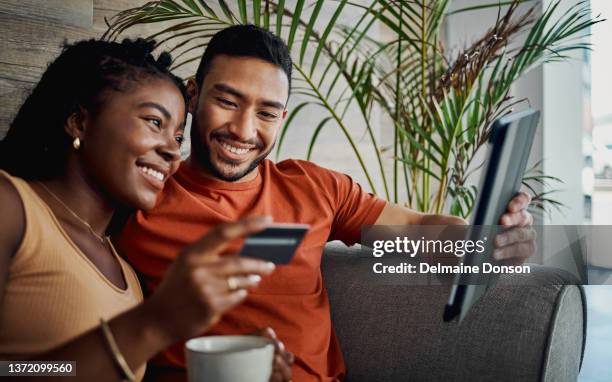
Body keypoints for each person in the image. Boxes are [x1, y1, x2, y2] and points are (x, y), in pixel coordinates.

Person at [116, 25, 536, 382]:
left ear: (282, 118)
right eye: (227, 102)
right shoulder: (139, 198)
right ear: (193, 96)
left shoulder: (313, 188)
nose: (244, 130)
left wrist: (489, 240)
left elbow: (416, 230)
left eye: (266, 113)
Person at [0, 38, 292, 381]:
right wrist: (153, 323)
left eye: (178, 136)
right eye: (154, 122)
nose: (171, 151)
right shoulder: (12, 207)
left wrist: (236, 368)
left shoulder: (124, 267)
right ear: (79, 121)